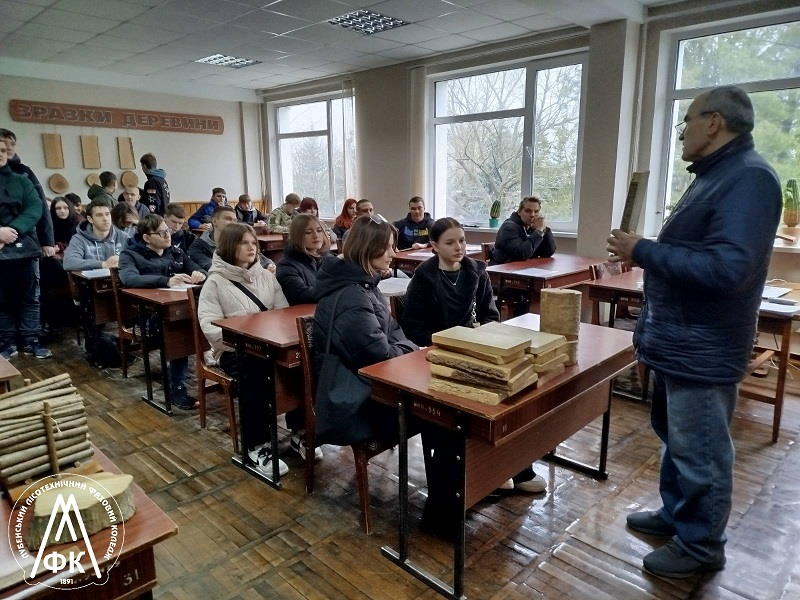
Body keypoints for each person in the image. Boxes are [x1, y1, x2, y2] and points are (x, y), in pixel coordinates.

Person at [607, 86, 782, 579]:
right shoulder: (716, 175)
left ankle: (701, 546)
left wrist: (642, 250)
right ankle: (677, 515)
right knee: (677, 439)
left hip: (703, 346)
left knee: (701, 449)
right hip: (680, 341)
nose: (681, 132)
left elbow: (728, 270)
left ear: (714, 122)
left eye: (686, 121)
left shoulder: (748, 178)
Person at [402, 218, 547, 498]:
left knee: (511, 395)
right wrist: (451, 340)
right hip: (439, 356)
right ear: (434, 246)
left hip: (477, 350)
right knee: (474, 405)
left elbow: (491, 315)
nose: (459, 247)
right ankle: (485, 470)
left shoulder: (476, 271)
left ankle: (513, 465)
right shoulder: (424, 277)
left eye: (462, 241)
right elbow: (413, 328)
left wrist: (481, 335)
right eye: (450, 242)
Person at [197, 223, 294, 476]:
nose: (251, 248)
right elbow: (210, 327)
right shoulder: (215, 282)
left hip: (269, 346)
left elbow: (283, 313)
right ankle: (255, 446)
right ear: (230, 246)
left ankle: (300, 432)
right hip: (233, 352)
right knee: (255, 372)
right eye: (244, 243)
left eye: (254, 243)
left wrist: (267, 338)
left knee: (299, 364)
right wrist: (248, 341)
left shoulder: (267, 277)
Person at [312, 216, 418, 442]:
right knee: (442, 418)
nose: (393, 253)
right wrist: (412, 349)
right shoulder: (352, 295)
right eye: (387, 247)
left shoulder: (366, 285)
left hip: (374, 388)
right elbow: (380, 356)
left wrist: (405, 347)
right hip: (360, 406)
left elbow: (393, 331)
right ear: (368, 248)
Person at [119, 214, 206, 409]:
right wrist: (165, 281)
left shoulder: (175, 251)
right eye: (161, 233)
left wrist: (199, 274)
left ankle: (196, 373)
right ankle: (176, 387)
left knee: (187, 323)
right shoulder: (130, 255)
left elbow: (198, 268)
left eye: (168, 231)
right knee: (178, 331)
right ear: (146, 237)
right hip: (147, 315)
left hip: (177, 309)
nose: (168, 236)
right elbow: (128, 278)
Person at [0, 138, 50, 360]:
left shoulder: (21, 179)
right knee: (1, 301)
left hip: (25, 248)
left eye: (3, 150)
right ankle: (7, 342)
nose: (1, 153)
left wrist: (12, 231)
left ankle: (31, 341)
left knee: (30, 298)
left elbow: (35, 207)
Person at [0, 129, 55, 261]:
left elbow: (39, 206)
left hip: (24, 238)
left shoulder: (24, 172)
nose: (8, 147)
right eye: (4, 142)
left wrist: (47, 241)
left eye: (12, 144)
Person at [276, 214, 332, 306]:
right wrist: (337, 290)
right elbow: (302, 294)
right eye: (308, 232)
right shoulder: (286, 266)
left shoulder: (330, 259)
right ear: (297, 236)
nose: (316, 235)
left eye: (319, 230)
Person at [63, 200, 126, 271]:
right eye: (99, 215)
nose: (105, 219)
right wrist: (103, 264)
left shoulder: (123, 237)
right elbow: (69, 262)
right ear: (90, 219)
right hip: (92, 278)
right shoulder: (79, 239)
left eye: (107, 214)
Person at [491, 196, 556, 264]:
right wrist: (539, 232)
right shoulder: (509, 227)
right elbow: (522, 254)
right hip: (502, 268)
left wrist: (544, 229)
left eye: (536, 211)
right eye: (528, 211)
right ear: (519, 212)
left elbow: (548, 252)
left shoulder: (531, 227)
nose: (532, 215)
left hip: (524, 267)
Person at [188, 205, 237, 271]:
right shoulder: (198, 246)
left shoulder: (240, 242)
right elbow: (213, 268)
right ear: (214, 221)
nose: (233, 223)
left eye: (235, 220)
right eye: (228, 219)